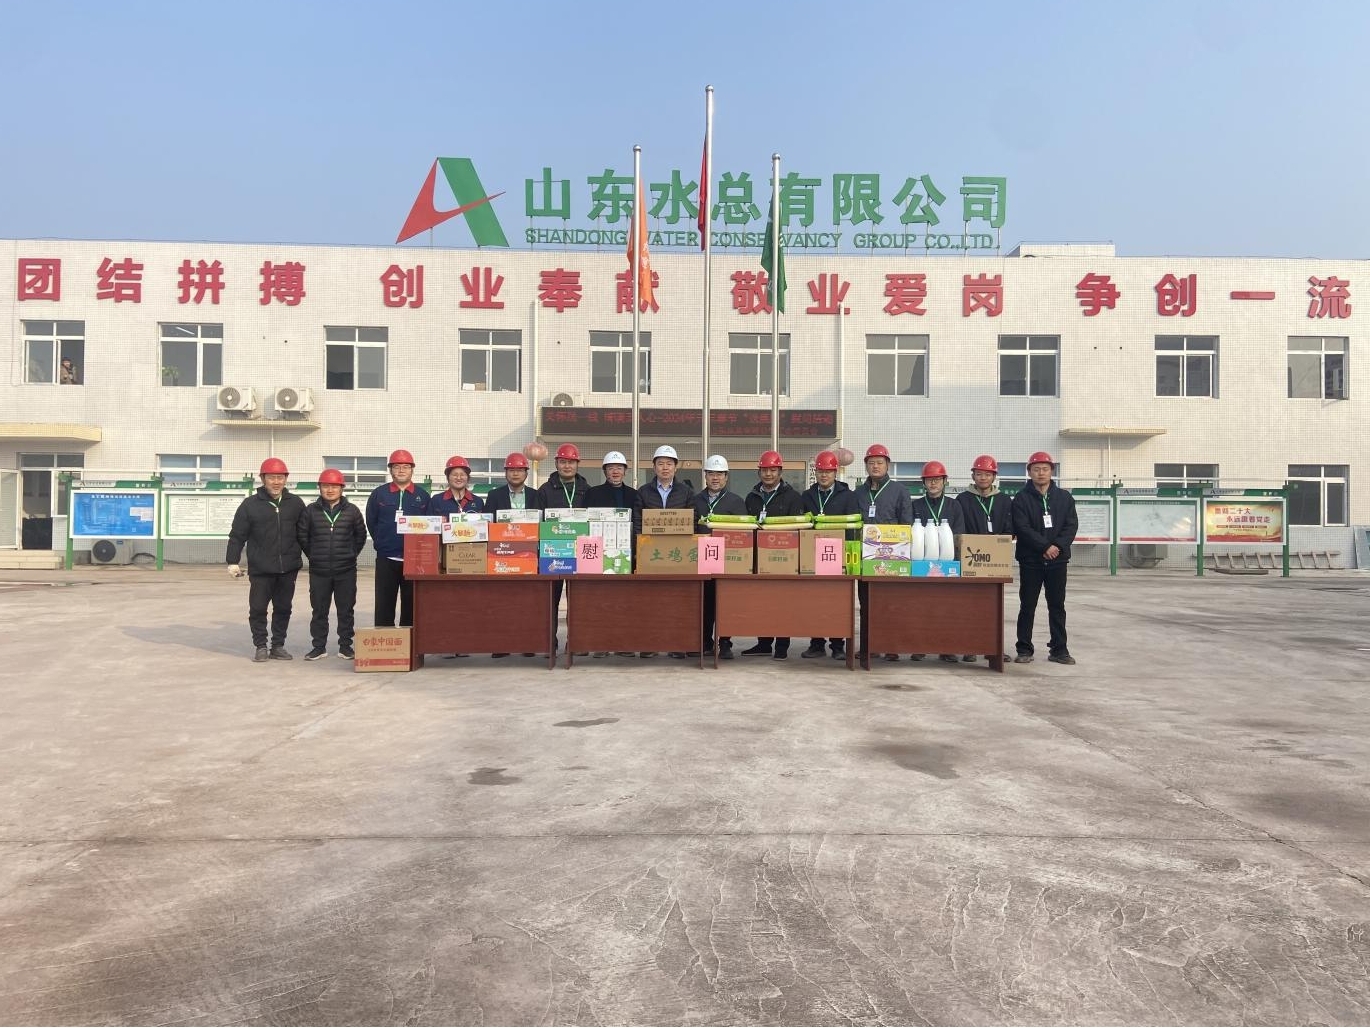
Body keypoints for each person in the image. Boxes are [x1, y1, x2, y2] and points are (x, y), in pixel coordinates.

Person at [226, 457, 308, 661]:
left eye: (280, 477)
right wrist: (232, 561)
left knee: (283, 608)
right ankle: (260, 645)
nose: (276, 482)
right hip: (261, 568)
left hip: (288, 568)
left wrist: (316, 557)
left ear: (286, 479)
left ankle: (278, 645)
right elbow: (237, 535)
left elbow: (305, 534)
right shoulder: (250, 505)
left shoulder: (295, 504)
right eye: (272, 477)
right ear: (263, 479)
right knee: (258, 608)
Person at [1011, 451, 1079, 665]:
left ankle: (1059, 649)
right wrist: (1044, 546)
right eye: (1036, 469)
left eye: (1045, 469)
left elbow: (1071, 525)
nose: (1040, 473)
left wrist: (1056, 546)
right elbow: (1022, 527)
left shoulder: (1064, 498)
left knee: (1057, 606)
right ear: (1029, 472)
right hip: (1031, 561)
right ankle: (1024, 649)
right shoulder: (1021, 499)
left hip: (1057, 561)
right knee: (1027, 605)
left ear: (1052, 471)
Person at [852, 443, 913, 663]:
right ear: (866, 466)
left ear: (887, 465)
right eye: (871, 463)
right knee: (867, 605)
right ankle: (869, 647)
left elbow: (907, 523)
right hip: (866, 558)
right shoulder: (858, 493)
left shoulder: (900, 491)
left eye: (879, 462)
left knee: (891, 604)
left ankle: (891, 647)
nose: (875, 466)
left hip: (893, 557)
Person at [740, 450, 804, 659]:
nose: (768, 474)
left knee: (783, 603)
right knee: (762, 603)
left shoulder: (793, 497)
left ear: (780, 472)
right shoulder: (752, 496)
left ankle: (782, 646)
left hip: (785, 558)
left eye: (773, 470)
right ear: (759, 472)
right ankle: (764, 643)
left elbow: (799, 529)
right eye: (764, 470)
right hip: (758, 558)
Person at [298, 468, 368, 660]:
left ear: (341, 488)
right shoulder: (310, 511)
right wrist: (314, 555)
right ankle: (318, 647)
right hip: (319, 571)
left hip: (346, 570)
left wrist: (350, 554)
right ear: (320, 488)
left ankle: (345, 646)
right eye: (326, 486)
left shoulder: (352, 511)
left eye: (334, 486)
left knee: (346, 610)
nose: (330, 490)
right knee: (319, 611)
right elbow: (303, 536)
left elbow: (360, 535)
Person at [800, 450, 861, 660]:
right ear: (815, 473)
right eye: (820, 471)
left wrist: (848, 557)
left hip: (838, 557)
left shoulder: (848, 496)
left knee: (838, 603)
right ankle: (816, 644)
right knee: (815, 603)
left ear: (836, 472)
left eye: (828, 471)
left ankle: (837, 646)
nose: (824, 475)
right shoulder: (807, 496)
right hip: (812, 556)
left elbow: (853, 528)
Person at [686, 454, 747, 660]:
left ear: (726, 477)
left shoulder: (736, 502)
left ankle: (725, 643)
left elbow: (743, 534)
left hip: (727, 561)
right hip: (701, 561)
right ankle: (704, 642)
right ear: (705, 476)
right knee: (704, 603)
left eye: (719, 474)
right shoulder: (694, 501)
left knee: (725, 603)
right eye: (711, 473)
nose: (715, 478)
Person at [636, 445, 693, 658]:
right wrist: (640, 551)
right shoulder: (643, 492)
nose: (665, 467)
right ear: (654, 467)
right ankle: (650, 644)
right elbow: (638, 523)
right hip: (650, 555)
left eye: (669, 464)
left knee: (676, 602)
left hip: (677, 555)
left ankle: (677, 645)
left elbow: (692, 521)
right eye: (661, 463)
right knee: (650, 602)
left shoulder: (686, 492)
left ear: (676, 468)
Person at [585, 450, 643, 658]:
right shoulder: (593, 494)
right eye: (611, 468)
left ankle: (624, 643)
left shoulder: (635, 495)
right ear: (605, 471)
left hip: (627, 555)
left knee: (625, 601)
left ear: (625, 471)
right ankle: (601, 643)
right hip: (601, 555)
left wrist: (637, 552)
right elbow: (586, 524)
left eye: (619, 468)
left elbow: (639, 524)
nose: (615, 471)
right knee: (602, 601)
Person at [365, 448, 431, 628]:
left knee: (411, 605)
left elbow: (429, 525)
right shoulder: (379, 494)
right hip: (386, 559)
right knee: (384, 604)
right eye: (397, 467)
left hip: (414, 559)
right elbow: (371, 521)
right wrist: (382, 542)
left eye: (406, 467)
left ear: (412, 470)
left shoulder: (422, 495)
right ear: (390, 470)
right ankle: (385, 641)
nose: (401, 470)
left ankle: (409, 641)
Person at [910, 460, 968, 662]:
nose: (933, 483)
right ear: (923, 483)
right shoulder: (916, 505)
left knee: (946, 608)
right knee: (920, 608)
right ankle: (919, 646)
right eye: (929, 480)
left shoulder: (954, 505)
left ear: (944, 481)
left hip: (947, 565)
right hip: (921, 565)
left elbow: (959, 534)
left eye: (937, 479)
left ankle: (946, 648)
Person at [539, 443, 589, 655]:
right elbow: (539, 521)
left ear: (577, 464)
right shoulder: (545, 490)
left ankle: (576, 642)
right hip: (553, 553)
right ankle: (549, 643)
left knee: (579, 602)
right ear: (556, 464)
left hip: (580, 552)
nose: (567, 466)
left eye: (571, 462)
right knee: (550, 601)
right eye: (563, 462)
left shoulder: (587, 489)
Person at [482, 452, 546, 517]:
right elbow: (488, 520)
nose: (515, 474)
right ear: (506, 473)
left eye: (520, 470)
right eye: (511, 470)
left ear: (526, 474)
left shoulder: (536, 495)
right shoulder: (494, 496)